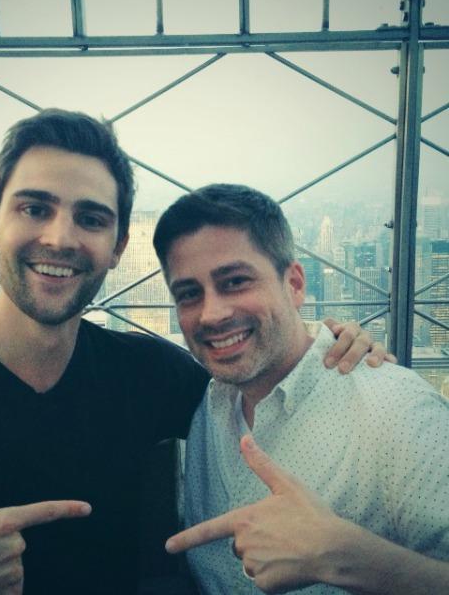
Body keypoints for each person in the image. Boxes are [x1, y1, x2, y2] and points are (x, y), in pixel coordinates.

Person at [0, 110, 386, 595]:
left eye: (91, 219)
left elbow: (258, 370)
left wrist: (331, 344)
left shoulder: (151, 374)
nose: (60, 238)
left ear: (118, 247)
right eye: (35, 208)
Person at [152, 183, 449, 594]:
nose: (212, 313)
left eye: (236, 281)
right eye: (189, 294)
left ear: (294, 284)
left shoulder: (396, 411)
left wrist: (348, 558)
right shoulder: (207, 402)